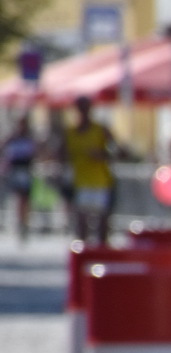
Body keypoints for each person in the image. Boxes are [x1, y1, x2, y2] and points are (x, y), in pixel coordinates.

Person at [64, 95, 119, 245]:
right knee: (82, 224)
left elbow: (118, 151)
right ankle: (84, 258)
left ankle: (102, 254)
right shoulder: (70, 133)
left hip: (101, 182)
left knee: (102, 224)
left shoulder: (100, 130)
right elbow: (61, 155)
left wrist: (103, 155)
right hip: (80, 182)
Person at [4, 116, 36, 243]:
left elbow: (35, 154)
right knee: (18, 198)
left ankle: (24, 222)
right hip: (15, 170)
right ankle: (19, 222)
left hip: (26, 170)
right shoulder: (13, 139)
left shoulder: (29, 139)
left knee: (25, 198)